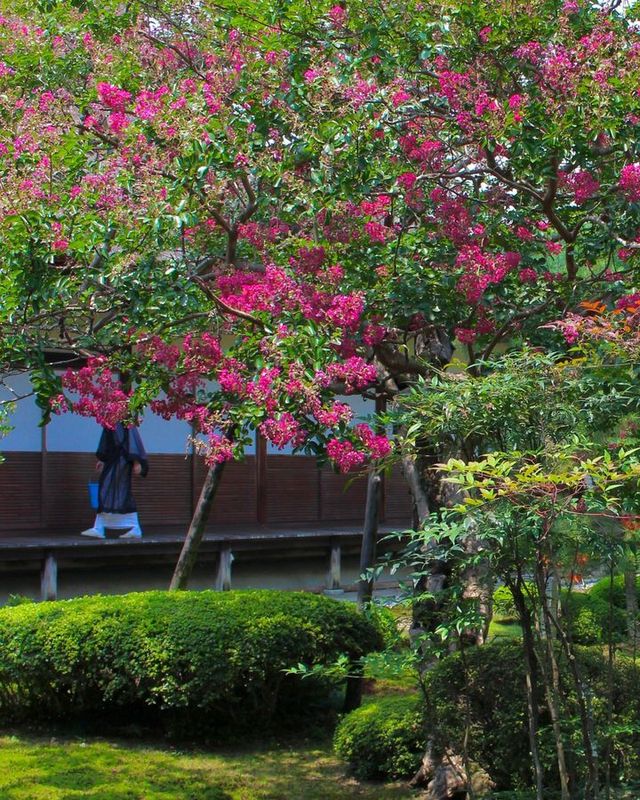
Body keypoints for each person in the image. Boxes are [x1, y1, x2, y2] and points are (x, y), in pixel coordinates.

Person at [81, 423, 148, 539]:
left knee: (117, 492)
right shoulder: (112, 418)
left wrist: (136, 461)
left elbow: (131, 439)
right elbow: (108, 440)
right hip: (114, 460)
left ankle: (103, 527)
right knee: (110, 492)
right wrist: (102, 460)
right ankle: (100, 527)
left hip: (121, 461)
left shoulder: (124, 418)